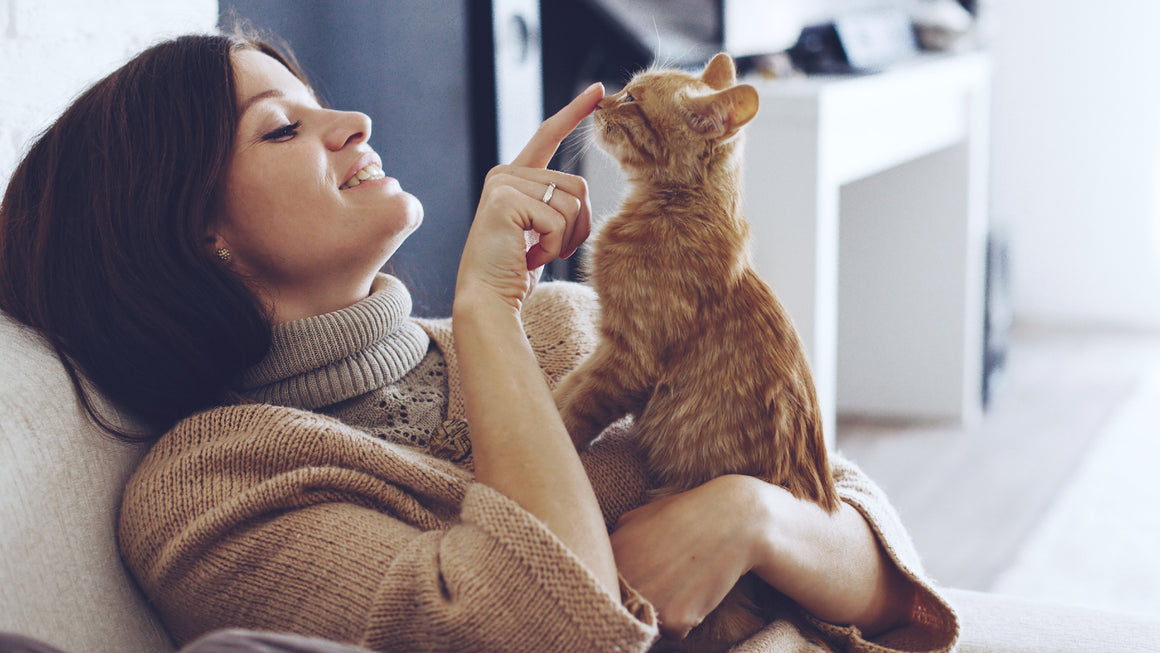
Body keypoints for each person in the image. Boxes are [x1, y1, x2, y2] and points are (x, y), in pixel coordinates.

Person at [0, 31, 958, 652]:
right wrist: (486, 308)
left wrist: (749, 517)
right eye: (283, 128)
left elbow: (880, 568)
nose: (355, 122)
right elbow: (543, 626)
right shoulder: (211, 486)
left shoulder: (562, 324)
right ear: (196, 231)